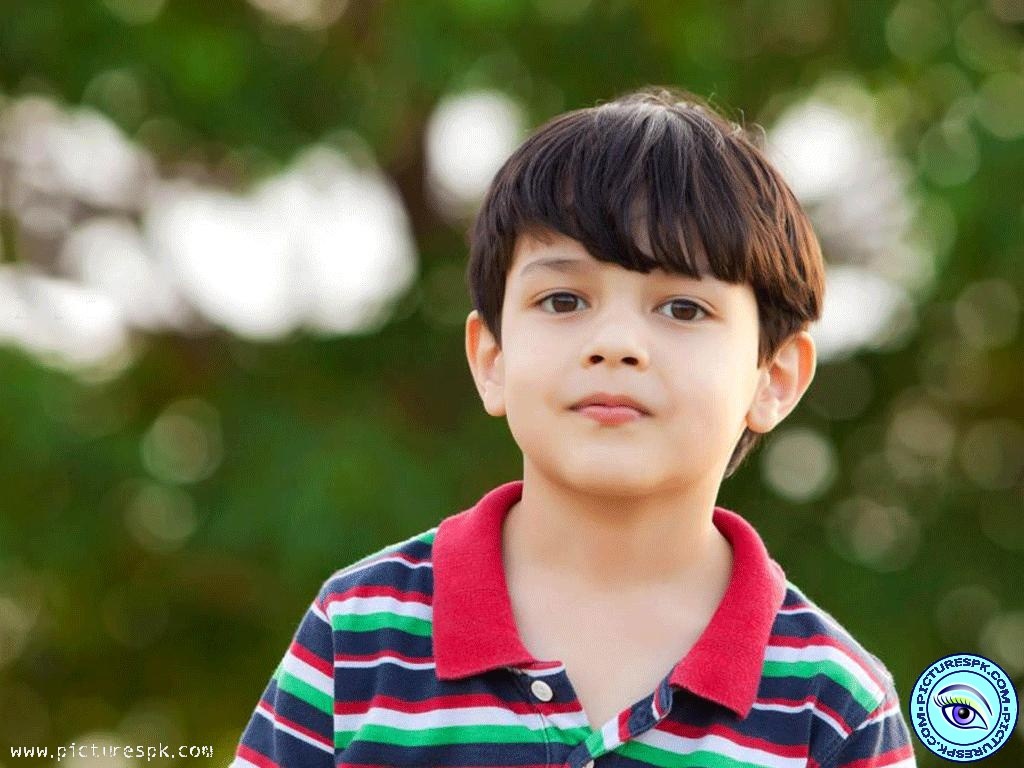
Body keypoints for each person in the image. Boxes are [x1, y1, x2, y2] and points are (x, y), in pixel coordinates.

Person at [230, 86, 917, 767]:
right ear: (492, 359)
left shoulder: (835, 705)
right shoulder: (360, 635)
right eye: (563, 300)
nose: (615, 343)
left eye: (681, 308)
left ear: (775, 378)